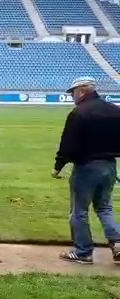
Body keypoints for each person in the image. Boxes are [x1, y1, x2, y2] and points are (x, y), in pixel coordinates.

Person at [53, 77, 120, 264]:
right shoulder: (115, 110)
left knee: (79, 211)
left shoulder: (79, 113)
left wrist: (58, 166)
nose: (72, 96)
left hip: (86, 167)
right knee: (105, 207)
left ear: (82, 91)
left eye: (73, 92)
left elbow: (68, 144)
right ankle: (118, 243)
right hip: (109, 165)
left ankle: (83, 252)